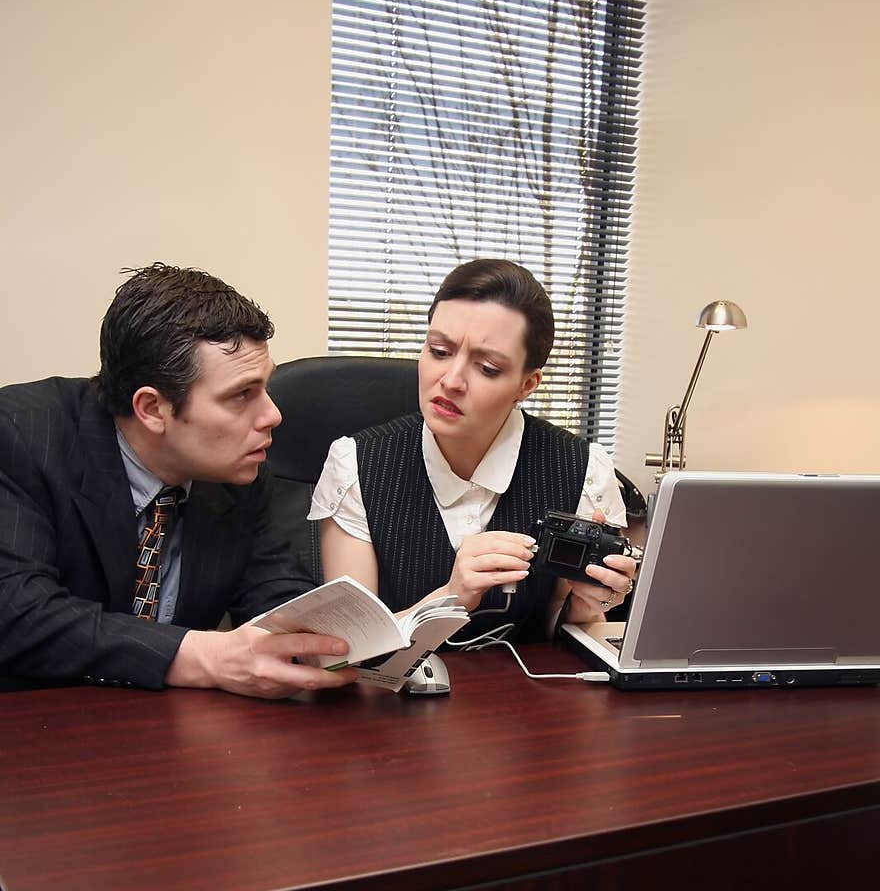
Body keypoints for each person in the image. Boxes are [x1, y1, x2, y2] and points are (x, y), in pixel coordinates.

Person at [0, 264, 357, 697]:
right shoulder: (20, 439)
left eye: (265, 387)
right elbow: (19, 614)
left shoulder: (239, 472)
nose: (273, 415)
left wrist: (332, 641)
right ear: (152, 408)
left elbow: (275, 595)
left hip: (176, 737)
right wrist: (201, 656)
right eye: (241, 395)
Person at [308, 259, 637, 638]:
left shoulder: (583, 472)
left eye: (487, 368)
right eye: (439, 351)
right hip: (390, 695)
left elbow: (564, 636)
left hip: (526, 695)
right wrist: (450, 598)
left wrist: (587, 603)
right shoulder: (357, 465)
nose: (450, 381)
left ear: (526, 385)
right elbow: (347, 646)